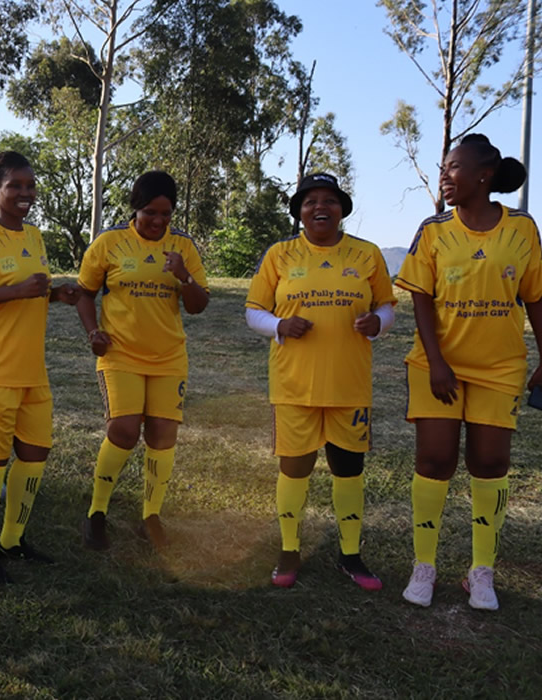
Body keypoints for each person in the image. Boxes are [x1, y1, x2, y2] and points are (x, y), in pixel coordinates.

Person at [396, 134, 539, 611]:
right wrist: (436, 361)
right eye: (443, 167)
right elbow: (419, 296)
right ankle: (424, 566)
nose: (445, 176)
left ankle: (481, 572)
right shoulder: (434, 230)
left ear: (485, 174)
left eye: (453, 167)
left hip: (500, 368)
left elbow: (535, 297)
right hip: (438, 366)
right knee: (435, 462)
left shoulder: (523, 229)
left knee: (491, 464)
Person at [244, 172, 395, 590]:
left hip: (349, 384)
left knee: (349, 470)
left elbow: (387, 305)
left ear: (342, 210)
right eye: (310, 202)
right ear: (299, 212)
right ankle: (289, 550)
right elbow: (253, 310)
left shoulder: (366, 255)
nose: (320, 207)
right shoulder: (280, 254)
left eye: (330, 200)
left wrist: (377, 322)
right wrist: (279, 325)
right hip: (295, 384)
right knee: (295, 469)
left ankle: (351, 555)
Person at [0, 150, 80, 584]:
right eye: (15, 186)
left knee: (35, 454)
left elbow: (30, 293)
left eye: (30, 186)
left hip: (30, 369)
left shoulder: (35, 236)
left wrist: (55, 295)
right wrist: (20, 290)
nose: (25, 194)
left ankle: (12, 538)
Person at [75, 171, 209, 551]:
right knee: (124, 430)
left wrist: (183, 276)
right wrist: (92, 332)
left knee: (163, 434)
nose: (158, 222)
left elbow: (199, 306)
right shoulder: (110, 243)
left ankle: (151, 516)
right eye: (150, 212)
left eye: (166, 214)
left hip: (169, 358)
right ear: (135, 209)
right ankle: (97, 512)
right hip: (120, 355)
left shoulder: (182, 247)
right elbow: (85, 293)